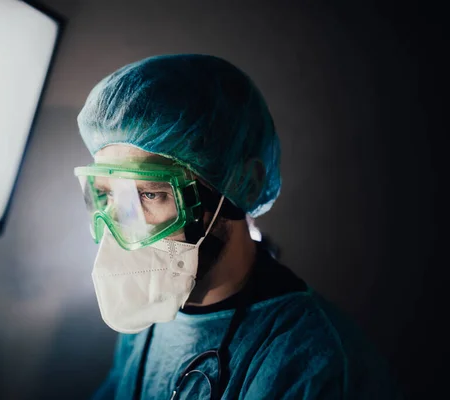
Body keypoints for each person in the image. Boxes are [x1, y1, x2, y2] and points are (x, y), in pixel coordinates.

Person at [73, 54, 402, 399]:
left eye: (150, 193)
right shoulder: (147, 309)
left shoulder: (315, 363)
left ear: (243, 184)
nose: (120, 223)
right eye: (106, 194)